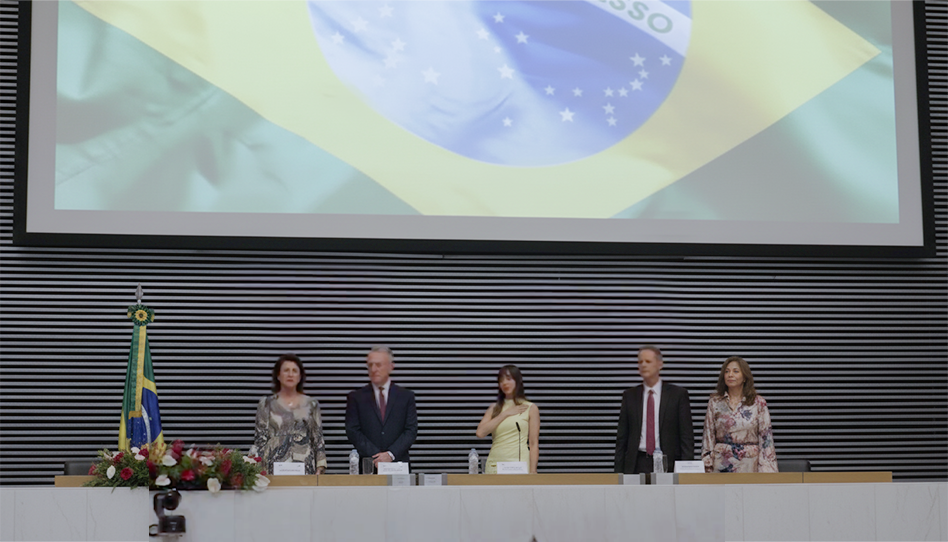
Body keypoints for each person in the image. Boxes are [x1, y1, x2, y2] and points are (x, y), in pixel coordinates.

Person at [615, 345, 694, 474]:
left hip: (667, 461)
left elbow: (686, 437)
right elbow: (622, 438)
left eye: (648, 361)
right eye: (640, 362)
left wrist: (686, 470)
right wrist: (618, 472)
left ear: (659, 364)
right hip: (637, 462)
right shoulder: (630, 396)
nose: (643, 365)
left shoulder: (677, 395)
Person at [250, 353, 327, 475]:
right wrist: (258, 469)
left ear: (300, 376)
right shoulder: (266, 403)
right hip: (272, 468)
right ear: (278, 375)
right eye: (286, 370)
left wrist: (320, 467)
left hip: (305, 468)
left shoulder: (311, 404)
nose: (290, 374)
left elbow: (318, 438)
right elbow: (260, 439)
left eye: (294, 371)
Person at [345, 345, 418, 471]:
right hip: (368, 467)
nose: (373, 369)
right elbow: (353, 431)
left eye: (378, 365)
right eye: (370, 365)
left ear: (391, 366)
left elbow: (410, 430)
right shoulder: (356, 397)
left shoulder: (406, 396)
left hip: (398, 465)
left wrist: (390, 454)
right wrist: (376, 456)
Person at [701, 356, 778, 473]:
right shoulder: (715, 402)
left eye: (735, 371)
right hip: (721, 464)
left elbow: (766, 439)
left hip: (750, 465)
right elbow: (708, 437)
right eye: (727, 371)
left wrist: (767, 471)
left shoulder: (758, 403)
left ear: (745, 377)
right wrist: (707, 466)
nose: (730, 375)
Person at [475, 365, 540, 474]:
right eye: (501, 380)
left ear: (517, 381)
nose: (504, 383)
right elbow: (480, 433)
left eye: (509, 379)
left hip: (520, 465)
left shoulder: (530, 408)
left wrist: (533, 471)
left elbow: (533, 444)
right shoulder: (494, 408)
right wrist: (505, 414)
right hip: (495, 465)